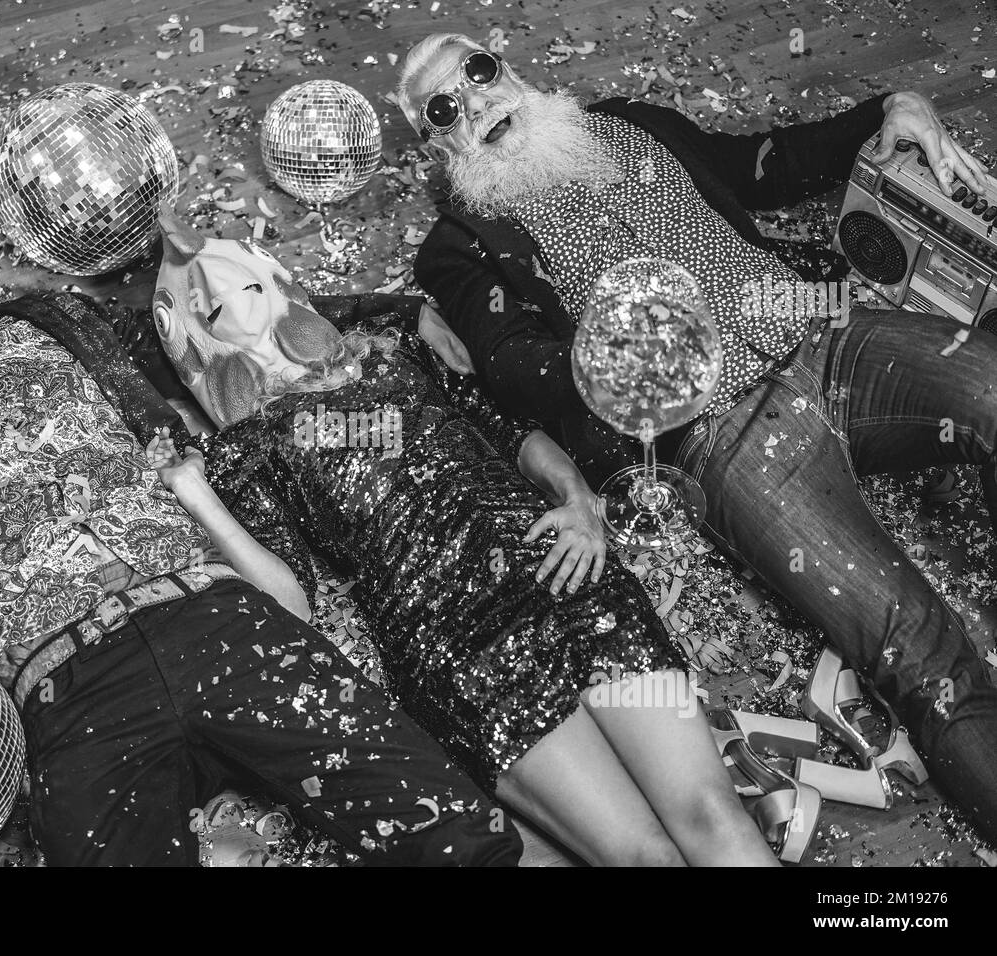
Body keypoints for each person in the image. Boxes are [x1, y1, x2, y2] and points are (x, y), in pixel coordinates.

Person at [0, 162, 521, 867]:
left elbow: (223, 318)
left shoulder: (61, 323)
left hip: (216, 619)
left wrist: (391, 306)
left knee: (457, 835)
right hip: (69, 691)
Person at [396, 32, 997, 843]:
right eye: (444, 108)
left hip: (821, 333)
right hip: (724, 430)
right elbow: (507, 363)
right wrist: (605, 348)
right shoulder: (459, 246)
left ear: (509, 71)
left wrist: (882, 112)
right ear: (435, 142)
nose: (473, 101)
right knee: (917, 650)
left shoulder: (625, 123)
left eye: (477, 73)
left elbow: (761, 163)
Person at [144, 210, 789, 865]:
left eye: (247, 288)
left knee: (713, 815)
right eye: (216, 310)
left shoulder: (388, 345)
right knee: (641, 856)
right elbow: (290, 602)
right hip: (457, 641)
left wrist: (577, 499)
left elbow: (502, 428)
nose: (239, 310)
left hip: (558, 568)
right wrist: (198, 496)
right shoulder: (249, 451)